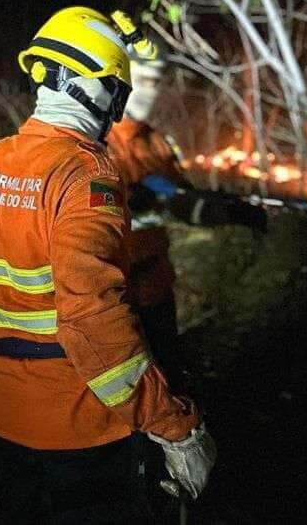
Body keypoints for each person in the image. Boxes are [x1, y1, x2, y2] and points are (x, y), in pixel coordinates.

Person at [0, 6, 214, 523]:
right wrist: (176, 428)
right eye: (118, 96)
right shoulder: (85, 179)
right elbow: (96, 326)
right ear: (96, 88)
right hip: (82, 430)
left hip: (3, 420)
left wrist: (18, 286)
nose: (119, 113)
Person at [105, 52, 267, 394]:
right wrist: (132, 202)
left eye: (155, 83)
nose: (149, 91)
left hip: (156, 286)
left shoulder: (155, 141)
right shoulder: (95, 141)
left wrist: (228, 210)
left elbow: (179, 201)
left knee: (167, 377)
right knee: (122, 391)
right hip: (112, 294)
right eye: (141, 81)